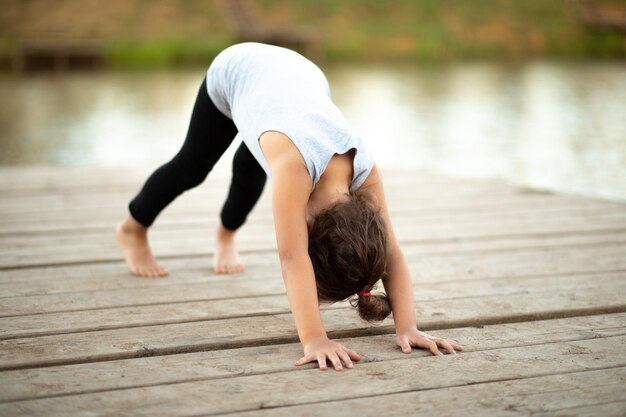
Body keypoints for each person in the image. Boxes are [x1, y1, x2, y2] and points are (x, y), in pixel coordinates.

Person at [116, 42, 463, 371]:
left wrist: (408, 327)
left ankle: (226, 234)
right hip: (240, 71)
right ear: (308, 227)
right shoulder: (294, 168)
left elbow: (392, 253)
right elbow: (293, 257)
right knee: (192, 167)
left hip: (298, 80)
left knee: (251, 170)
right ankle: (132, 228)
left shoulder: (364, 169)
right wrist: (315, 339)